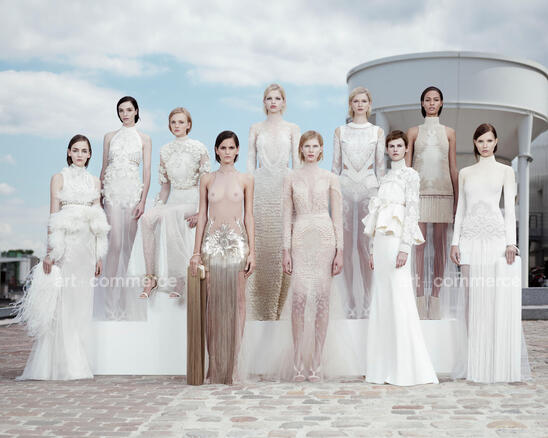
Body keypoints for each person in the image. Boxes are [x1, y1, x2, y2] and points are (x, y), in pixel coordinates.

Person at [17, 135, 110, 380]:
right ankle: (62, 364)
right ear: (69, 152)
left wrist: (99, 254)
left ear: (89, 155)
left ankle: (80, 360)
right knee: (64, 302)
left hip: (87, 248)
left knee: (82, 303)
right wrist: (51, 252)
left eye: (84, 151)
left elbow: (99, 220)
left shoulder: (95, 181)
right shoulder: (59, 178)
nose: (80, 154)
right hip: (67, 247)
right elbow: (53, 215)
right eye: (75, 150)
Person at [450, 123, 528, 383]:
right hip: (469, 240)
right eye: (480, 141)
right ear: (475, 143)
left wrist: (511, 243)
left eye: (489, 140)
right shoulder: (465, 173)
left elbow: (510, 210)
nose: (485, 145)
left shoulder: (506, 171)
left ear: (496, 142)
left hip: (495, 240)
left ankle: (495, 361)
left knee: (494, 298)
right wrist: (455, 242)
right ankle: (474, 360)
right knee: (471, 299)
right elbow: (460, 209)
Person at [362, 131, 438, 386]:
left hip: (397, 241)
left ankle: (406, 368)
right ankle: (381, 367)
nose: (395, 149)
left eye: (399, 146)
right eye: (391, 146)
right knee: (382, 299)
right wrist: (372, 250)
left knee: (399, 297)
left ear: (406, 149)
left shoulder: (411, 175)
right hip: (381, 242)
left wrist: (405, 247)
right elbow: (376, 215)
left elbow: (413, 211)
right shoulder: (384, 178)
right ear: (387, 150)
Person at [190, 131, 255, 384]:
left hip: (238, 245)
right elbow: (202, 216)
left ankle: (234, 365)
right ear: (216, 150)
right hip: (212, 245)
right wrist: (196, 252)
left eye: (231, 148)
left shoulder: (246, 179)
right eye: (223, 148)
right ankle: (214, 364)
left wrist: (253, 251)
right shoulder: (207, 179)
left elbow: (249, 216)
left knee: (238, 303)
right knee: (212, 304)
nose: (227, 152)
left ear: (237, 150)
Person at [282, 130, 344, 382]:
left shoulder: (330, 178)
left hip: (325, 238)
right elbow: (286, 217)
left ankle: (317, 360)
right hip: (299, 238)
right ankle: (298, 360)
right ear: (301, 149)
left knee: (321, 299)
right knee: (298, 299)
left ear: (321, 150)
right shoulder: (290, 177)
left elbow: (337, 217)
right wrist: (285, 250)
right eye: (306, 146)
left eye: (315, 146)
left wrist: (340, 251)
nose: (310, 150)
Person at [135, 107, 210, 299]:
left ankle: (179, 279)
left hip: (192, 200)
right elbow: (165, 188)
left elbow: (206, 185)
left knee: (170, 215)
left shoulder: (199, 148)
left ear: (188, 125)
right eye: (173, 122)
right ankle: (151, 277)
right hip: (174, 200)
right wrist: (157, 207)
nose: (177, 125)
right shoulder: (165, 150)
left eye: (181, 122)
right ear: (169, 125)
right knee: (147, 219)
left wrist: (201, 212)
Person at [95, 96, 151, 320]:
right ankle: (109, 306)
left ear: (136, 111)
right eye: (121, 110)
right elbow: (103, 167)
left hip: (132, 194)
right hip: (111, 192)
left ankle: (123, 304)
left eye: (128, 110)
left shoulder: (144, 138)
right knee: (115, 243)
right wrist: (98, 196)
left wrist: (143, 201)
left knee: (128, 249)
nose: (125, 114)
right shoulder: (109, 137)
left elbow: (147, 172)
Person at [247, 84, 300, 320]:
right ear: (264, 102)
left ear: (284, 102)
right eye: (269, 98)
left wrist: (297, 194)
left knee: (283, 243)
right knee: (261, 244)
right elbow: (250, 162)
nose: (273, 102)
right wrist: (248, 191)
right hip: (260, 188)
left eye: (277, 98)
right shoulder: (255, 128)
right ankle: (260, 308)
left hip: (284, 186)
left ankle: (280, 308)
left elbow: (297, 164)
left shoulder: (293, 128)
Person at [332, 86, 386, 318]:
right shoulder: (340, 131)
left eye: (364, 101)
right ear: (351, 105)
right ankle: (349, 301)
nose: (360, 105)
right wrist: (331, 195)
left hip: (369, 191)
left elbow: (381, 168)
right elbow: (335, 167)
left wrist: (382, 198)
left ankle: (367, 299)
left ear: (369, 105)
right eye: (356, 101)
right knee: (344, 247)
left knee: (366, 247)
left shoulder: (377, 132)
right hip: (344, 190)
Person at [406, 86, 458, 319]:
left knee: (440, 247)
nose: (431, 103)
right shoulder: (413, 132)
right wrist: (405, 200)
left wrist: (457, 200)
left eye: (436, 99)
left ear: (441, 103)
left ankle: (434, 301)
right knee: (418, 247)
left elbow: (453, 168)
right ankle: (418, 300)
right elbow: (407, 169)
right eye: (427, 99)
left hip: (444, 193)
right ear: (422, 103)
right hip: (418, 194)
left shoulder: (449, 133)